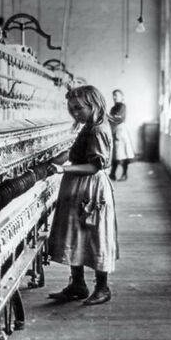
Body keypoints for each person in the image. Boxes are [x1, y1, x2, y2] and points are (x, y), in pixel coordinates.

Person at [46, 85, 119, 305]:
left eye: (78, 108)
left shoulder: (98, 129)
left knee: (95, 235)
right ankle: (77, 284)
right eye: (71, 109)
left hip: (91, 187)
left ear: (93, 105)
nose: (75, 113)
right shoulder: (89, 126)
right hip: (79, 187)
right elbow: (74, 152)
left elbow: (95, 166)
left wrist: (63, 169)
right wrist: (54, 159)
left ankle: (102, 288)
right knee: (75, 233)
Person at [108, 89, 135, 181]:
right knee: (115, 154)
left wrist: (108, 117)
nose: (114, 97)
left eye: (116, 95)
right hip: (114, 131)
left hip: (121, 131)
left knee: (123, 154)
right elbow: (111, 120)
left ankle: (124, 174)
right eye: (113, 95)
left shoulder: (122, 106)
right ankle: (112, 174)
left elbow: (117, 119)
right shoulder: (113, 108)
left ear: (122, 97)